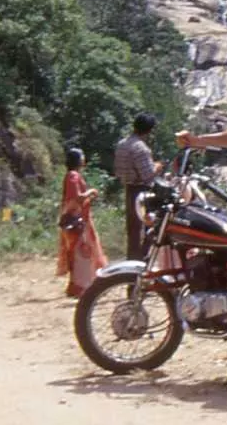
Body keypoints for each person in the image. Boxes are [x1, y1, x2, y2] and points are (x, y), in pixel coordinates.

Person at [56, 148, 106, 298]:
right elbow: (76, 197)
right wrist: (91, 192)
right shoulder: (73, 176)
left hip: (79, 218)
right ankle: (82, 286)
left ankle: (79, 285)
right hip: (77, 220)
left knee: (79, 252)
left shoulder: (72, 175)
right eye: (82, 156)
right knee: (82, 252)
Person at [113, 113, 162, 260]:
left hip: (129, 188)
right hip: (142, 191)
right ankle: (143, 260)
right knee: (148, 227)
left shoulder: (122, 144)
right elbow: (147, 175)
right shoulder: (141, 148)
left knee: (133, 229)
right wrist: (157, 166)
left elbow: (118, 171)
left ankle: (132, 259)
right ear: (149, 130)